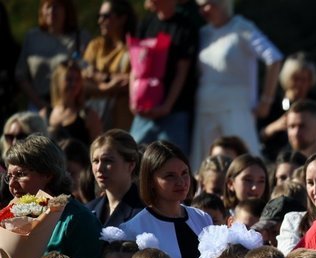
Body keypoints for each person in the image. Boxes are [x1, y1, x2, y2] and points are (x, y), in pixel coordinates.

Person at [5, 134, 104, 258]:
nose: (12, 185)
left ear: (48, 174)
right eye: (9, 176)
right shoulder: (10, 216)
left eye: (20, 174)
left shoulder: (77, 219)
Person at [118, 141, 213, 258]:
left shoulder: (202, 218)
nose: (181, 182)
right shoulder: (133, 229)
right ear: (151, 181)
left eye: (184, 173)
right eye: (170, 176)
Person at [190, 0, 283, 168]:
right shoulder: (203, 33)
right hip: (205, 110)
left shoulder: (242, 28)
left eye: (207, 4)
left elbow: (273, 58)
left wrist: (266, 100)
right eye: (200, 6)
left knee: (245, 164)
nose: (203, 10)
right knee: (205, 166)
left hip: (236, 110)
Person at [128, 0, 197, 155]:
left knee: (171, 159)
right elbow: (135, 67)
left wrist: (167, 106)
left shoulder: (185, 27)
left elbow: (182, 71)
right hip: (144, 113)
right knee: (133, 157)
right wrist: (133, 101)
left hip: (174, 113)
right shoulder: (146, 24)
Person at [15, 0, 90, 113]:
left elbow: (87, 70)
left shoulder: (80, 38)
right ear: (42, 11)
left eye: (56, 7)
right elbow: (21, 75)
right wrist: (40, 104)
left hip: (70, 108)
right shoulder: (32, 37)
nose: (52, 11)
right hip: (38, 106)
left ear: (66, 10)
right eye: (48, 7)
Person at [258, 52, 316, 161]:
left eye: (304, 80)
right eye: (295, 78)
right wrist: (275, 126)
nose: (299, 84)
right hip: (276, 156)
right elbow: (257, 134)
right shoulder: (273, 103)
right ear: (287, 78)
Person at [83, 0, 135, 131]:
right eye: (99, 16)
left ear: (122, 18)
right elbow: (82, 83)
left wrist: (100, 77)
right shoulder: (95, 46)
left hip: (123, 122)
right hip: (94, 122)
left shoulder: (133, 48)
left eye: (106, 16)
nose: (100, 21)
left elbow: (131, 82)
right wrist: (107, 87)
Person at [87, 130, 143, 227]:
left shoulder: (144, 212)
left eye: (108, 161)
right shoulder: (89, 210)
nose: (99, 168)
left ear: (131, 165)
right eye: (95, 161)